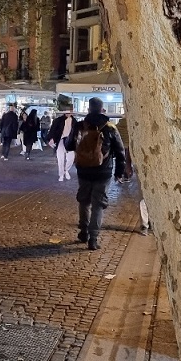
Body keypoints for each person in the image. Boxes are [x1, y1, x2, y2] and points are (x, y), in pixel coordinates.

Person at [65, 97, 125, 251]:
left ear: (88, 109)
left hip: (83, 170)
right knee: (98, 204)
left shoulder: (79, 125)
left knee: (84, 201)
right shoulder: (110, 127)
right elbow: (120, 151)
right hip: (103, 172)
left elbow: (69, 145)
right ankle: (93, 238)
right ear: (102, 109)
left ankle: (83, 231)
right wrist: (119, 172)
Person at [46, 110, 76, 182]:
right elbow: (53, 130)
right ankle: (61, 174)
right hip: (61, 140)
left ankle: (66, 170)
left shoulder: (74, 121)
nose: (68, 113)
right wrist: (51, 138)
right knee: (60, 158)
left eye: (70, 112)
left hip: (70, 141)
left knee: (71, 158)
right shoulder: (58, 120)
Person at [114, 116, 133, 183]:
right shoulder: (130, 124)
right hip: (127, 146)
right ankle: (125, 174)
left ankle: (122, 174)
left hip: (122, 145)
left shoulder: (118, 127)